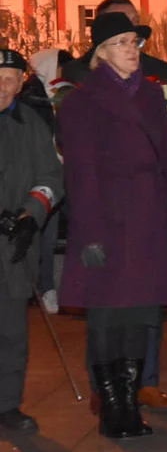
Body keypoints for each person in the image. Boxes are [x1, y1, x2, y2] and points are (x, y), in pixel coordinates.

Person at [57, 13, 167, 438]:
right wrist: (90, 233)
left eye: (134, 42)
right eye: (121, 42)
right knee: (105, 316)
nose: (132, 50)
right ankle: (111, 407)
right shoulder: (82, 101)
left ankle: (131, 405)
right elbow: (80, 173)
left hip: (149, 215)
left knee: (140, 314)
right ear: (100, 52)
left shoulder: (152, 97)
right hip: (106, 217)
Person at [0, 49, 64, 433]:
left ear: (21, 82)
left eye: (10, 78)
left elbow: (52, 177)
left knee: (11, 330)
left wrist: (30, 217)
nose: (2, 86)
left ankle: (7, 405)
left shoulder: (33, 125)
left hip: (13, 245)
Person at [20, 48, 72, 315]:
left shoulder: (62, 93)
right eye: (61, 67)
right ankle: (44, 288)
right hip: (41, 176)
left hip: (65, 172)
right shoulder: (31, 98)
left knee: (56, 233)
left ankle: (50, 289)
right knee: (44, 234)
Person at [62, 0, 167, 86]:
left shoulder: (160, 69)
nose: (129, 26)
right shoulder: (76, 71)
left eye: (135, 20)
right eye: (121, 20)